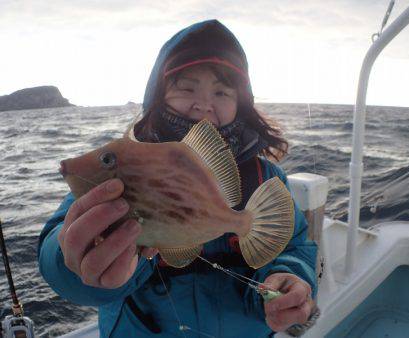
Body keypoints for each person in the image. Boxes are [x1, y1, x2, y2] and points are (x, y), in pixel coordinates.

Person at [38, 19, 318, 337]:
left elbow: (295, 246)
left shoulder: (262, 177)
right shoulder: (130, 165)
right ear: (159, 95)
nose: (203, 105)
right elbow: (59, 246)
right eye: (186, 87)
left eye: (222, 92)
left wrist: (293, 277)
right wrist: (74, 260)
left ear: (241, 105)